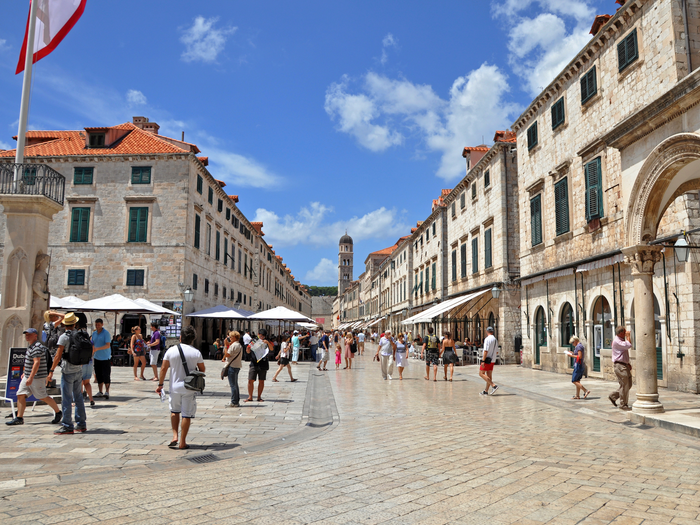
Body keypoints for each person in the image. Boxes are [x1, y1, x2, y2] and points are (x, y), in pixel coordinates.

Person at [156, 325, 205, 450]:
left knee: (174, 411)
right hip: (189, 387)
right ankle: (183, 442)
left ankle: (174, 436)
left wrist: (160, 384)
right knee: (186, 415)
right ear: (192, 339)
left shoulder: (171, 351)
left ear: (180, 337)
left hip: (174, 387)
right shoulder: (196, 352)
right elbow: (203, 370)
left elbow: (163, 369)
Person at [6, 328, 62, 426]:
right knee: (20, 394)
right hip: (28, 376)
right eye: (26, 334)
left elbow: (36, 363)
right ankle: (19, 418)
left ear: (35, 335)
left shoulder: (37, 347)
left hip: (37, 377)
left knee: (43, 396)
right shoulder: (31, 346)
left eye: (29, 334)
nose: (27, 336)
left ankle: (58, 412)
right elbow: (29, 361)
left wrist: (31, 377)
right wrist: (25, 372)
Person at [47, 312, 86, 434]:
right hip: (78, 369)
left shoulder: (64, 337)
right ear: (75, 324)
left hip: (67, 370)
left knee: (67, 398)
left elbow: (58, 355)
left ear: (64, 325)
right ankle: (81, 424)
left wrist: (51, 371)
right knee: (78, 396)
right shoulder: (80, 335)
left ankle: (67, 425)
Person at [609, 326, 633, 410]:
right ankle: (623, 404)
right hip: (620, 366)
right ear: (621, 333)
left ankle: (613, 396)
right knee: (625, 385)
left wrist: (627, 363)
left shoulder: (621, 340)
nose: (626, 333)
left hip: (623, 365)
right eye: (625, 332)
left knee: (628, 384)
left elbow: (623, 353)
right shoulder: (617, 341)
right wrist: (628, 336)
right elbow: (629, 345)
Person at [245, 329, 272, 402]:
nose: (261, 337)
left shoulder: (265, 342)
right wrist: (248, 349)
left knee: (261, 381)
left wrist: (268, 343)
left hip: (263, 363)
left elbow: (271, 349)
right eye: (260, 335)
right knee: (250, 380)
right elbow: (248, 351)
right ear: (258, 334)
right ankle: (250, 397)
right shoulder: (253, 341)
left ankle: (259, 397)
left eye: (263, 336)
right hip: (254, 363)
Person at [91, 319, 112, 400]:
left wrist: (97, 348)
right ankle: (100, 391)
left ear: (102, 324)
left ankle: (107, 391)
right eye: (96, 324)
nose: (97, 326)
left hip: (105, 357)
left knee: (106, 374)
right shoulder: (94, 333)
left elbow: (107, 345)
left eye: (99, 324)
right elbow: (92, 343)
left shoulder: (106, 333)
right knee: (98, 375)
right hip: (97, 357)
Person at [76, 321, 95, 408]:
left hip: (81, 364)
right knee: (87, 383)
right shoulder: (90, 342)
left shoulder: (79, 342)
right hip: (89, 362)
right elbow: (93, 351)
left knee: (80, 383)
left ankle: (79, 401)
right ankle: (91, 399)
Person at [223, 331, 243, 407]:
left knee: (233, 385)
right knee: (235, 384)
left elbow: (227, 355)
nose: (230, 338)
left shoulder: (234, 345)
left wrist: (225, 346)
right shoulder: (238, 345)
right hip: (237, 366)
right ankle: (236, 400)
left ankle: (234, 402)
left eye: (231, 337)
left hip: (232, 366)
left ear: (234, 337)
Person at [479, 327, 499, 396]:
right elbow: (497, 352)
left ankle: (494, 386)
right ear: (492, 332)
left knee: (481, 374)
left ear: (487, 331)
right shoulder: (495, 340)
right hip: (493, 360)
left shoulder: (487, 339)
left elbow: (485, 351)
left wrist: (483, 361)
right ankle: (486, 391)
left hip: (487, 360)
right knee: (489, 375)